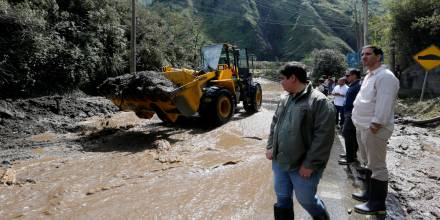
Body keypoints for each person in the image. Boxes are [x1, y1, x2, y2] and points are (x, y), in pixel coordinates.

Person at [266, 63, 335, 220]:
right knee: (282, 198)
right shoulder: (284, 98)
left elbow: (323, 137)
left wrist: (310, 164)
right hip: (280, 161)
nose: (280, 82)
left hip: (302, 165)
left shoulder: (319, 101)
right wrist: (270, 146)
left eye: (282, 79)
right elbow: (274, 123)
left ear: (293, 78)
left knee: (307, 200)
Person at [351, 45, 399, 215]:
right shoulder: (369, 76)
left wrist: (375, 125)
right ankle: (368, 195)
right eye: (362, 54)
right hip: (362, 126)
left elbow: (384, 104)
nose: (364, 57)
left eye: (368, 54)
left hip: (374, 129)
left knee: (377, 166)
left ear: (378, 56)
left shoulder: (386, 77)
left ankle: (377, 204)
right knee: (366, 162)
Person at [338, 69, 361, 166]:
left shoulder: (358, 86)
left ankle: (350, 158)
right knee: (351, 135)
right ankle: (351, 154)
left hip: (352, 113)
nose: (346, 77)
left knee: (347, 133)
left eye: (348, 75)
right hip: (348, 112)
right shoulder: (353, 85)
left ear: (354, 75)